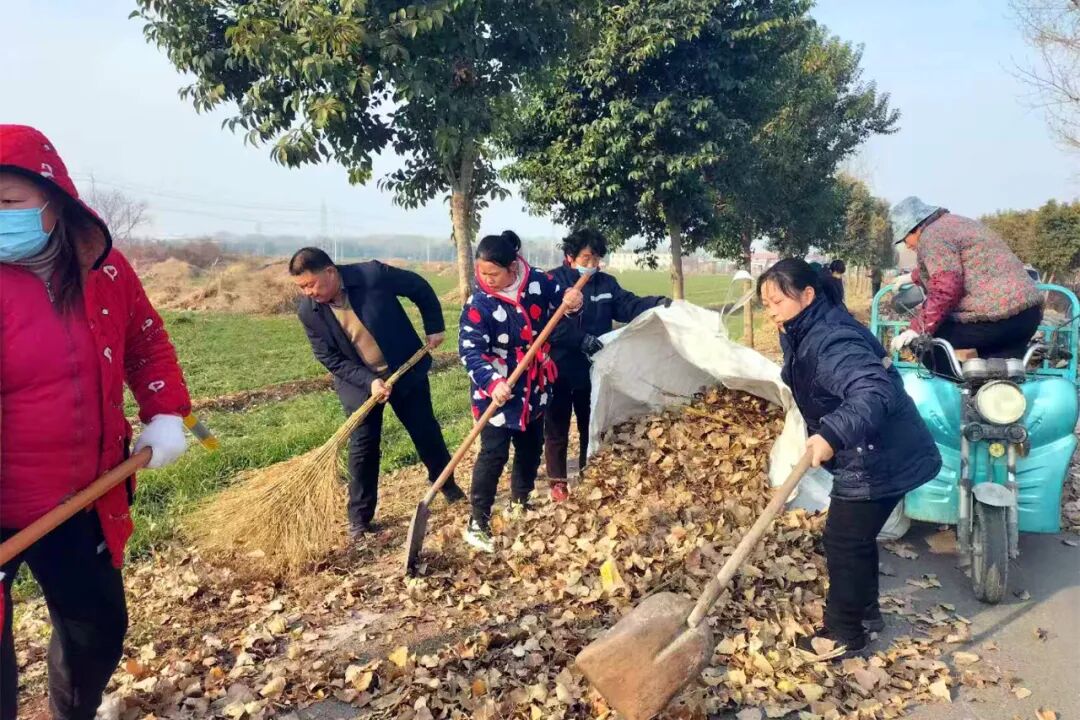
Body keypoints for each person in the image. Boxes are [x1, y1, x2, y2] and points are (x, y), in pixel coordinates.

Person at [1, 125, 192, 720]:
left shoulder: (104, 273)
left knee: (97, 630)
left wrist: (165, 411)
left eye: (7, 201)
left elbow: (146, 340)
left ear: (54, 201)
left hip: (80, 497)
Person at [757, 258, 941, 659]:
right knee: (856, 538)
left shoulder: (832, 339)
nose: (770, 311)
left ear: (807, 295)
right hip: (871, 446)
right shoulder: (803, 328)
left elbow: (873, 391)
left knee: (843, 540)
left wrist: (832, 433)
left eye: (777, 302)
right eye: (766, 304)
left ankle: (844, 632)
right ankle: (866, 613)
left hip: (876, 452)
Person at [290, 248, 464, 538]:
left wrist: (434, 326)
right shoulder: (309, 312)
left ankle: (447, 485)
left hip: (404, 369)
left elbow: (419, 287)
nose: (308, 292)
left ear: (330, 272)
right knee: (363, 446)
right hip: (359, 383)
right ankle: (360, 518)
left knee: (425, 431)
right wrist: (369, 381)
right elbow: (329, 357)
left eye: (311, 284)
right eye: (301, 287)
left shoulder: (371, 275)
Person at [458, 231, 584, 552]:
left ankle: (520, 501)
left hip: (533, 385)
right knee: (494, 453)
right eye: (482, 273)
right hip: (495, 391)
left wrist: (573, 302)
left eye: (493, 273)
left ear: (512, 267)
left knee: (530, 447)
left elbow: (563, 302)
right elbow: (470, 351)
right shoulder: (479, 304)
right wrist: (492, 382)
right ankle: (478, 521)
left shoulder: (538, 283)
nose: (487, 279)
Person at [545, 228, 670, 502]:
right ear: (570, 256)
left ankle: (587, 472)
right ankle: (557, 482)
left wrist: (656, 304)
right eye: (586, 258)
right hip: (559, 368)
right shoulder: (552, 282)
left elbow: (627, 305)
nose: (591, 264)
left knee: (591, 423)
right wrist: (580, 339)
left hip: (593, 369)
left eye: (596, 259)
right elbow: (548, 325)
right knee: (556, 428)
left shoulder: (606, 284)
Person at [888, 197, 1042, 361]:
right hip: (1028, 315)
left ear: (916, 228)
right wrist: (912, 277)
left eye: (904, 239)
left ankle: (951, 378)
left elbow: (946, 288)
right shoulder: (956, 223)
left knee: (924, 341)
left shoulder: (931, 235)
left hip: (997, 318)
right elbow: (961, 263)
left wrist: (917, 329)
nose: (907, 245)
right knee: (997, 370)